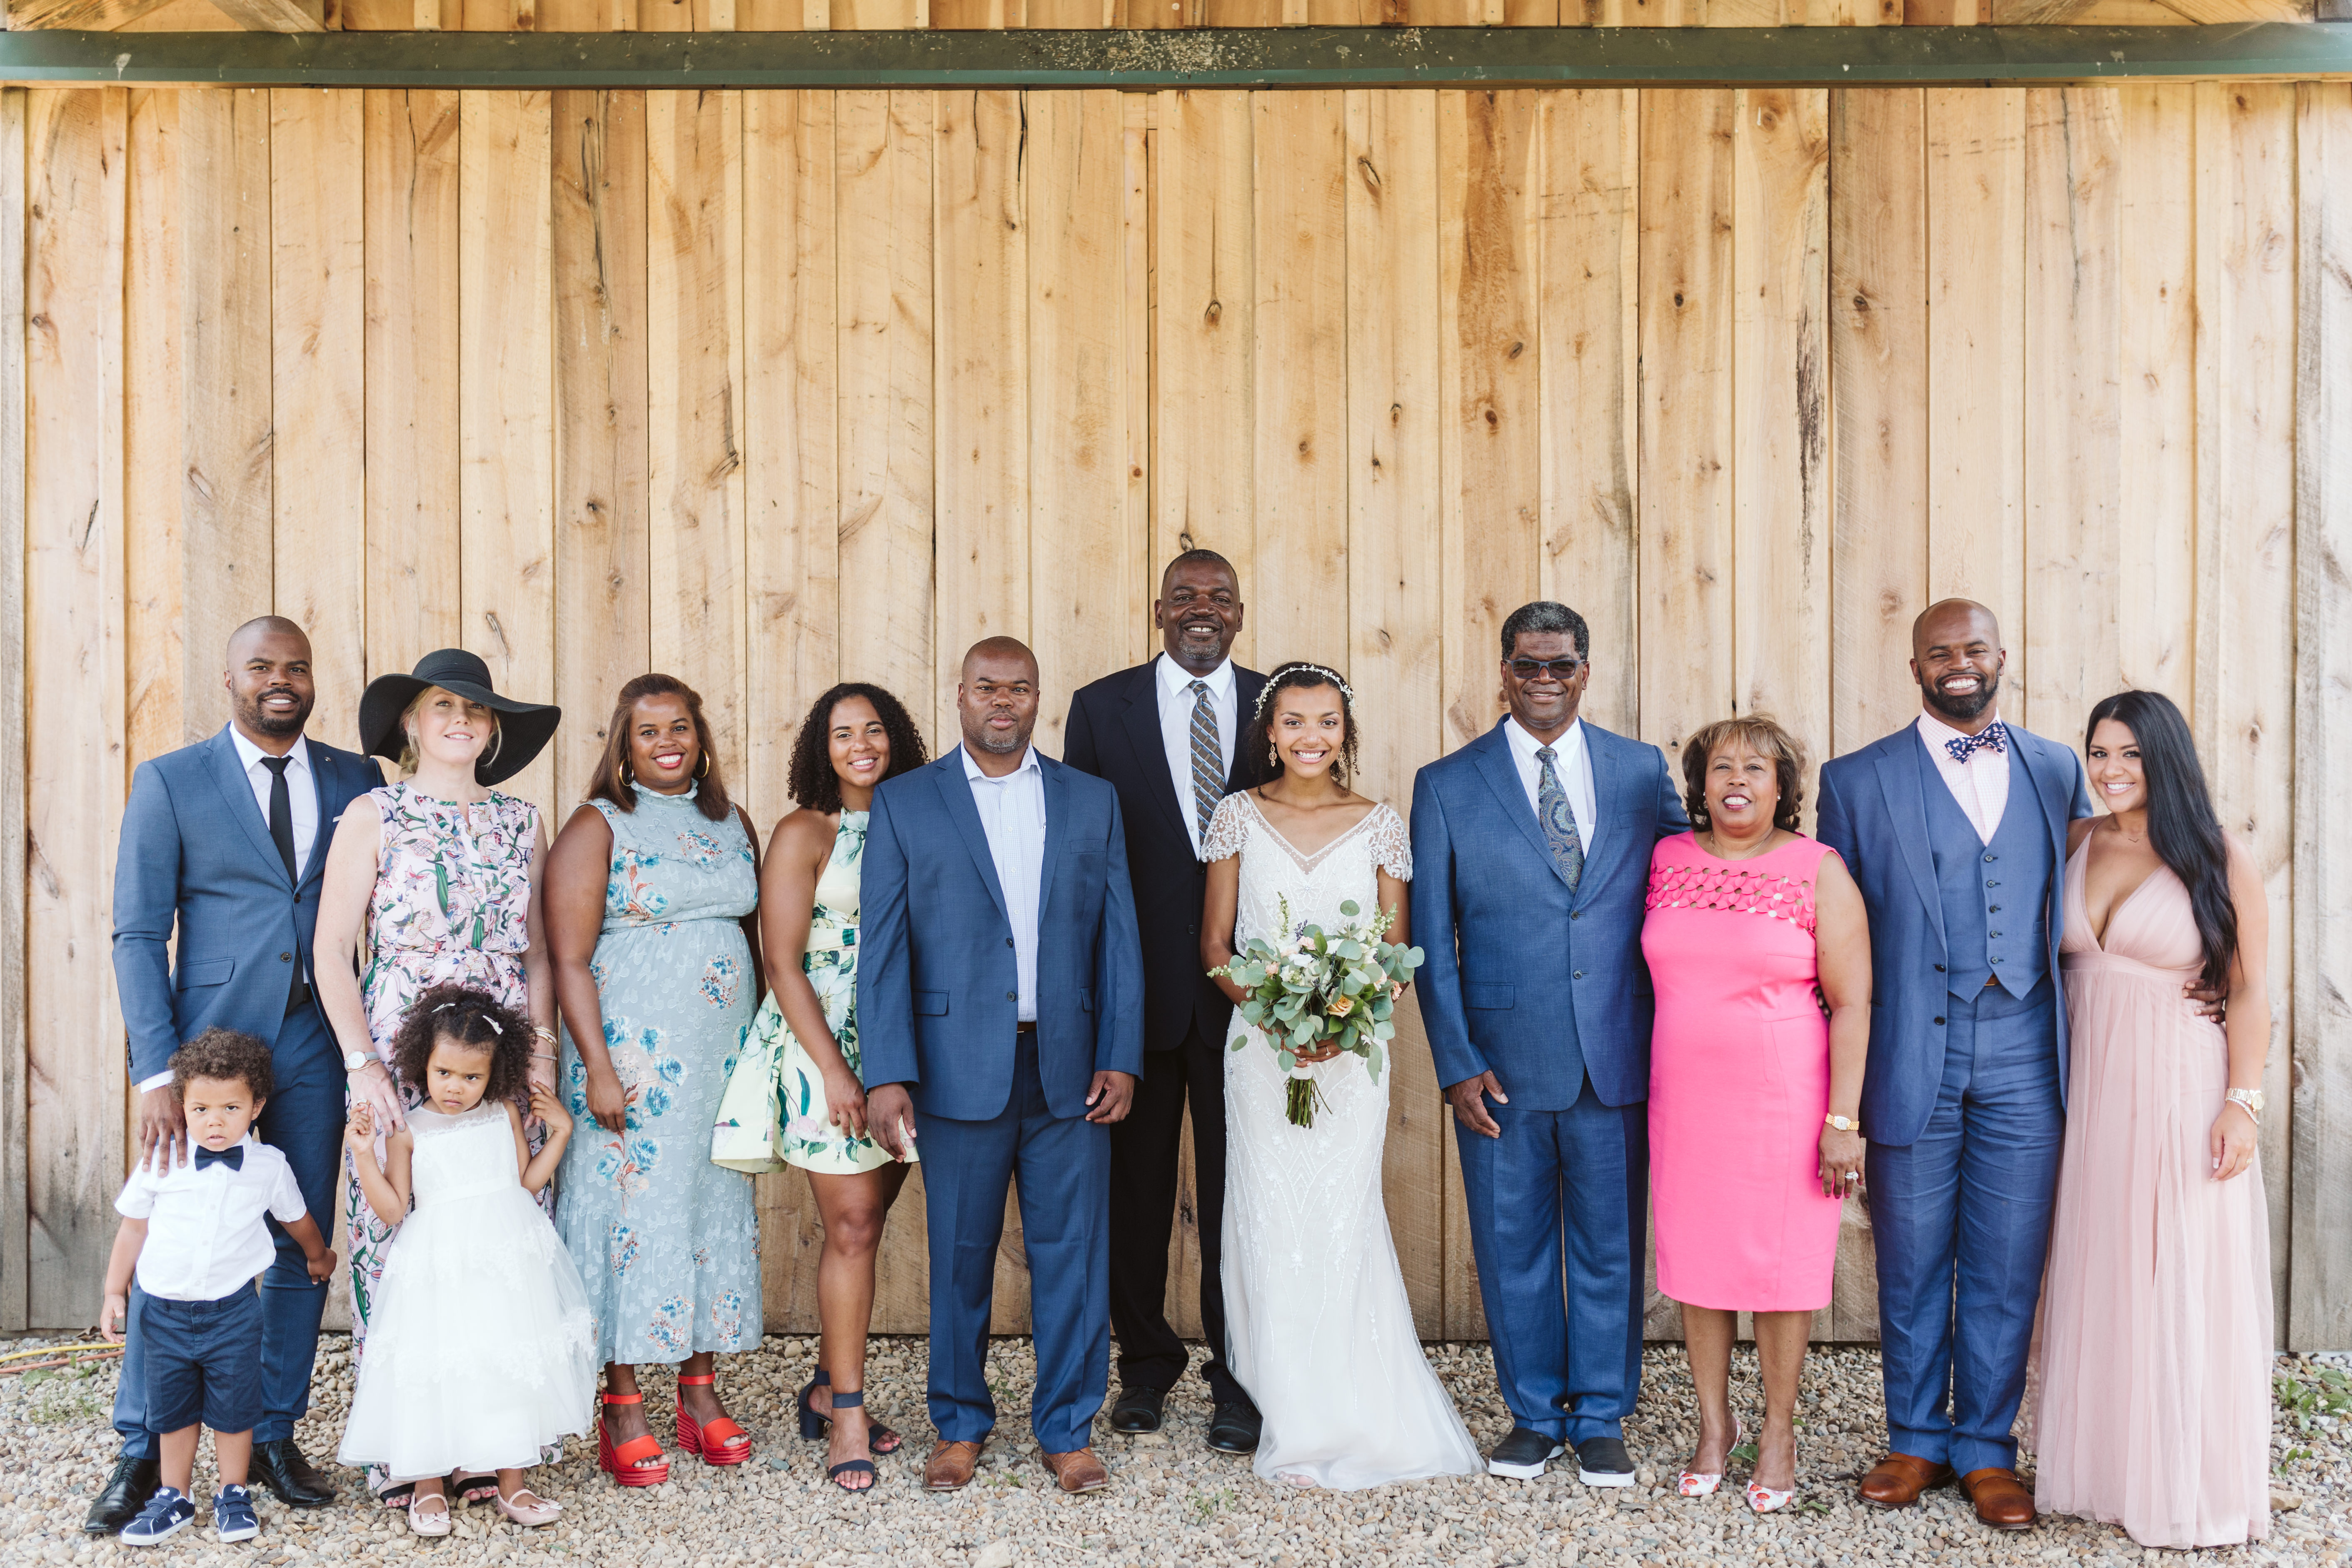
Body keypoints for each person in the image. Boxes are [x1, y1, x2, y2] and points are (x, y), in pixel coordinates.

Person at [1815, 599, 2097, 1531]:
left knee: (2009, 1258)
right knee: (1911, 1254)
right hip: (1909, 1049)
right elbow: (1837, 939)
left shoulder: (2060, 768)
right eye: (1941, 653)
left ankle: (1985, 1445)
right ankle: (1914, 1437)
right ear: (1915, 667)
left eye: (1975, 648)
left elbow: (2103, 886)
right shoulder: (1855, 779)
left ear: (2003, 656)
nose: (1960, 664)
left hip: (2026, 1044)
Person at [95, 617, 379, 1532]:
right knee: (175, 1247)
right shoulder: (171, 781)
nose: (282, 681)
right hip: (208, 1055)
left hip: (317, 1041)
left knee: (303, 1243)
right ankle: (144, 1447)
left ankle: (272, 1433)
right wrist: (155, 1072)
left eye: (298, 666)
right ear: (229, 679)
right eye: (263, 666)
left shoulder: (357, 781)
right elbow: (139, 932)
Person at [856, 637, 1145, 1496]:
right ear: (960, 695)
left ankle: (1067, 1428)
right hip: (953, 1071)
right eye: (987, 687)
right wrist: (888, 1072)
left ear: (1038, 698)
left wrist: (1121, 1055)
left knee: (1073, 1255)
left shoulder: (1091, 800)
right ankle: (959, 1423)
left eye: (1019, 688)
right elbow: (884, 947)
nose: (1003, 702)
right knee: (960, 1257)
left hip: (1069, 1070)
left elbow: (1118, 939)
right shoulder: (908, 802)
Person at [1409, 602, 1688, 1486]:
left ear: (1585, 671)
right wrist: (1454, 1060)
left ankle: (1602, 1413)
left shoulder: (1643, 772)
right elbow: (1430, 937)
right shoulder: (1447, 783)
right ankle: (1532, 1412)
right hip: (1499, 1065)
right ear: (1503, 670)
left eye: (1561, 664)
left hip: (1618, 1054)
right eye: (1527, 663)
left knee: (1610, 1244)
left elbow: (1689, 886)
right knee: (1512, 1244)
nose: (1544, 678)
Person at [1199, 661, 1481, 1489]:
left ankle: (1356, 1402)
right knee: (1269, 1211)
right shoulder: (1237, 818)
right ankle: (1286, 1403)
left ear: (1345, 732)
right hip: (1262, 1051)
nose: (1310, 737)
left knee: (1340, 1209)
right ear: (1270, 732)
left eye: (1326, 722)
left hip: (1352, 1057)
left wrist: (1339, 1020)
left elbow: (1395, 954)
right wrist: (1276, 1011)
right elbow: (1215, 943)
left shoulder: (1381, 825)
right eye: (1294, 722)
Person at [313, 647, 562, 1509]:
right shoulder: (373, 814)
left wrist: (541, 1050)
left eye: (478, 711)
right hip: (399, 1045)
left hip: (498, 1045)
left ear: (492, 731)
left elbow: (534, 951)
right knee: (403, 1238)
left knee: (497, 1236)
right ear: (412, 725)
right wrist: (362, 1061)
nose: (461, 721)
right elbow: (331, 951)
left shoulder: (524, 820)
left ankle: (494, 1439)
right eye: (442, 707)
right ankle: (414, 1449)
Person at [2033, 690, 2274, 1548]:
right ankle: (2107, 1471)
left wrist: (2241, 1104)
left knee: (2179, 1269)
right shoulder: (2074, 840)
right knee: (2105, 1267)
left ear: (2164, 757)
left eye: (2129, 754)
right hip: (2090, 1088)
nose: (2109, 771)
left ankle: (2189, 1482)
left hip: (2181, 1084)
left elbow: (2248, 988)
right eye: (2098, 753)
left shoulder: (2214, 853)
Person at [1064, 548, 1269, 1454]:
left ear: (1238, 614)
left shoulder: (1279, 706)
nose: (1202, 609)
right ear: (1157, 610)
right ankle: (1144, 1369)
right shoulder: (1100, 708)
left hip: (1252, 1004)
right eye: (1184, 596)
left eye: (1219, 598)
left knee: (1240, 1198)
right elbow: (1079, 860)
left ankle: (1240, 1377)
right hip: (1134, 1002)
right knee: (1136, 1196)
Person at [1642, 717, 1870, 1513]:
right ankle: (1714, 1425)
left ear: (1783, 787)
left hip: (1784, 1100)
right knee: (1697, 1268)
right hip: (1685, 1100)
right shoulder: (1665, 859)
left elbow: (1852, 1002)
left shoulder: (1818, 868)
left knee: (1779, 1273)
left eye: (1756, 767)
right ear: (1700, 786)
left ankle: (1779, 1430)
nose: (1737, 779)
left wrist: (1843, 1117)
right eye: (1721, 767)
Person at [545, 674, 765, 1487]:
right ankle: (624, 1404)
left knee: (708, 1207)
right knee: (634, 1214)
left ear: (701, 739)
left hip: (720, 1063)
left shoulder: (732, 822)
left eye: (681, 727)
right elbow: (568, 956)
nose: (667, 741)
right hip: (635, 1066)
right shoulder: (598, 825)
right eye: (648, 731)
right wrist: (598, 1065)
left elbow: (754, 937)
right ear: (624, 746)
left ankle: (699, 1392)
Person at [713, 682, 929, 1492]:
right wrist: (836, 1069)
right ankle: (846, 1410)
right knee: (852, 1226)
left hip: (911, 1044)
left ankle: (819, 1385)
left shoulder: (925, 821)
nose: (862, 744)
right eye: (844, 734)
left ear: (898, 739)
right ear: (821, 748)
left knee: (871, 1220)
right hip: (822, 1044)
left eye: (875, 730)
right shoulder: (807, 830)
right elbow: (781, 961)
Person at [337, 986, 595, 1537]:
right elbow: (390, 1210)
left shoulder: (503, 1113)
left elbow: (525, 1184)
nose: (456, 1088)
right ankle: (429, 1484)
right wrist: (364, 1155)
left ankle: (513, 1481)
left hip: (505, 1255)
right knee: (437, 1362)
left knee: (506, 1357)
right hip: (438, 1259)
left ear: (494, 1074)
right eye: (444, 1073)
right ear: (421, 1064)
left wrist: (562, 1133)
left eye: (471, 1077)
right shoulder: (410, 1131)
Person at [98, 1030, 337, 1547]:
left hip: (232, 1309)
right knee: (173, 1408)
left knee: (235, 1406)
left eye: (231, 1106)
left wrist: (318, 1254)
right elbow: (133, 1226)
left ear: (257, 1107)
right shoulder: (163, 1159)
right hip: (163, 1308)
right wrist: (115, 1290)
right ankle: (174, 1494)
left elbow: (296, 1219)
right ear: (182, 1104)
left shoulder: (268, 1166)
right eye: (202, 1107)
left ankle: (233, 1491)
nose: (215, 1120)